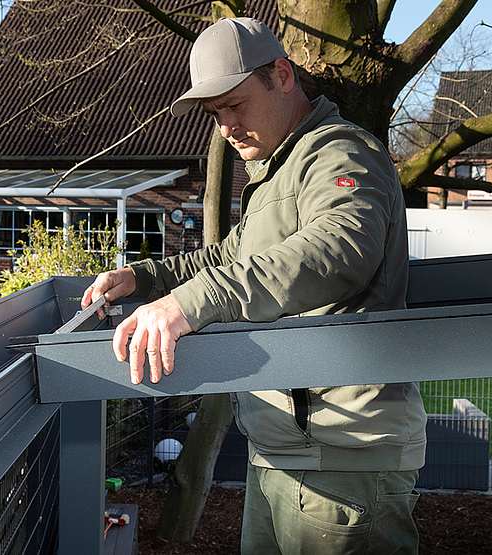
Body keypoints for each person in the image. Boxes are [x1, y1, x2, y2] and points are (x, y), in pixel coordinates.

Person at [81, 17, 426, 554]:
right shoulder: (274, 177)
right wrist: (143, 280)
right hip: (280, 447)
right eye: (216, 115)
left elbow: (339, 250)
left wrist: (193, 303)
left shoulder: (340, 154)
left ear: (282, 75)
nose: (226, 128)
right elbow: (224, 257)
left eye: (235, 106)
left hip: (342, 456)